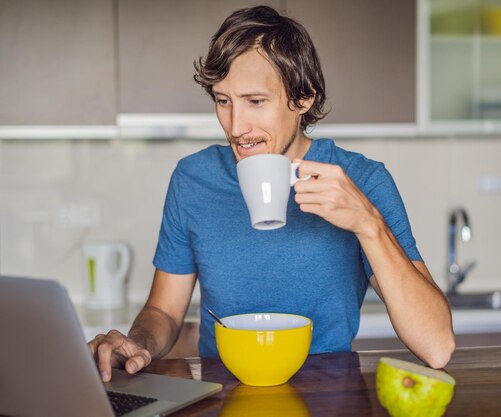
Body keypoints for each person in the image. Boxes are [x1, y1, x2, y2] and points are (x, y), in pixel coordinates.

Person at [88, 5, 455, 382]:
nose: (236, 127)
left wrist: (367, 224)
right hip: (219, 396)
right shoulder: (192, 178)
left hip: (328, 400)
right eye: (223, 100)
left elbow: (436, 345)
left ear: (303, 99)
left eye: (256, 101)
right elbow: (163, 312)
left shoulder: (362, 181)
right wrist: (137, 343)